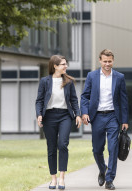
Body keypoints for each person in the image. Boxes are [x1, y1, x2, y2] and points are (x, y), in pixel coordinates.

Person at [80, 49, 129, 190]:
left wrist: (124, 120)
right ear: (100, 61)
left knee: (113, 148)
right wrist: (84, 113)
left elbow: (123, 100)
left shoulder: (119, 77)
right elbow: (84, 96)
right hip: (97, 117)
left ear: (113, 61)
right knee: (97, 149)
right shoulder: (92, 76)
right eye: (105, 61)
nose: (107, 64)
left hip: (113, 116)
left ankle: (109, 179)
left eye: (110, 61)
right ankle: (103, 169)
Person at [35, 55, 82, 190]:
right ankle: (53, 179)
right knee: (51, 147)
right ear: (55, 66)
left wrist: (77, 115)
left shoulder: (68, 82)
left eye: (66, 64)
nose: (65, 66)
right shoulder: (44, 81)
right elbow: (39, 100)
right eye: (63, 64)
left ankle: (62, 177)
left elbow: (74, 100)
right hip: (49, 116)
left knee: (62, 144)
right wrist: (39, 114)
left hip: (64, 116)